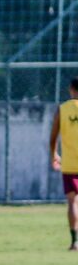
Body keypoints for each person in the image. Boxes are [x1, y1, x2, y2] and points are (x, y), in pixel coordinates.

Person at [48, 76, 78, 251]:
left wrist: (53, 155)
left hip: (70, 165)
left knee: (72, 202)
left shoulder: (62, 110)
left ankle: (75, 242)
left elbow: (53, 138)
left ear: (71, 89)